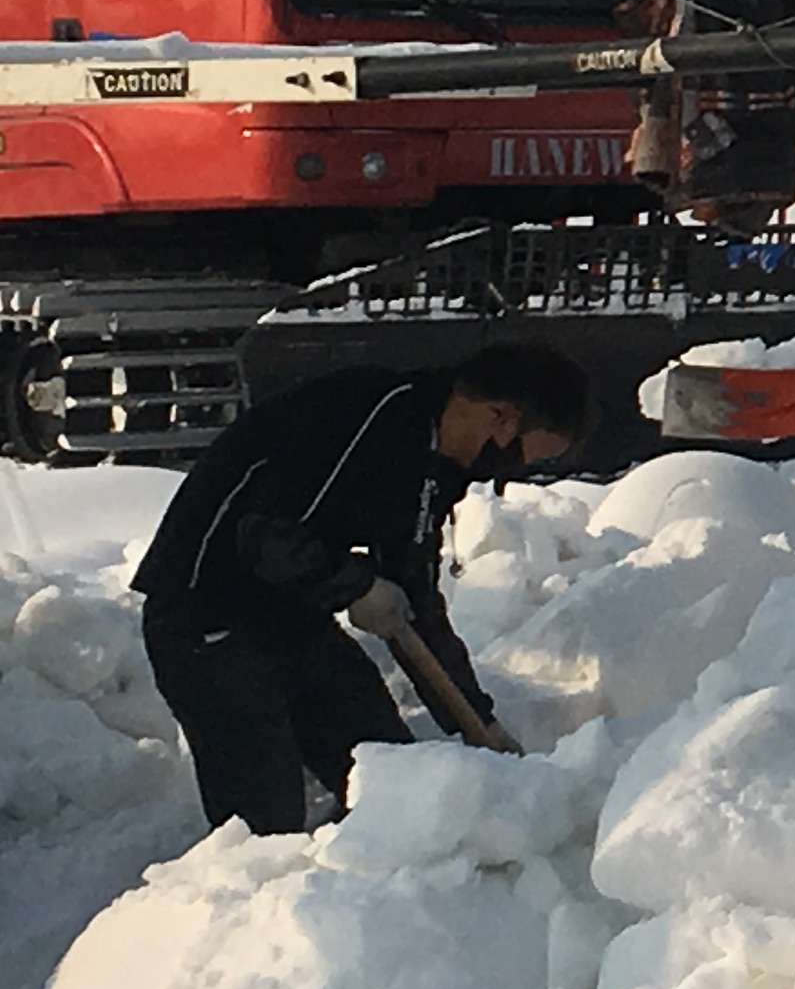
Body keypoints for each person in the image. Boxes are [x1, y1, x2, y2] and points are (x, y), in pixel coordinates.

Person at [134, 342, 595, 835]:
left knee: (390, 780)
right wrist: (354, 586)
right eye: (520, 458)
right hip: (205, 620)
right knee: (265, 819)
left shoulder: (436, 468)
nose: (505, 473)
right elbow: (267, 537)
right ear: (501, 418)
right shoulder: (363, 414)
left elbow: (414, 595)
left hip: (293, 619)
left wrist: (478, 720)